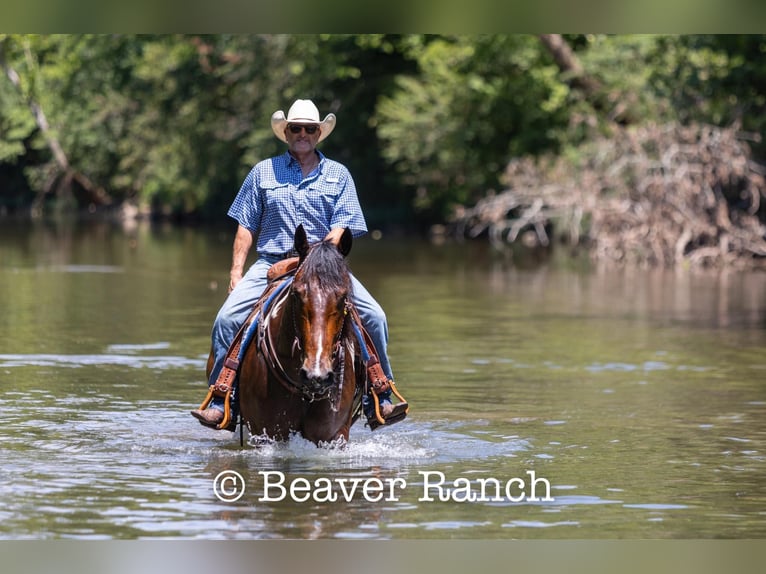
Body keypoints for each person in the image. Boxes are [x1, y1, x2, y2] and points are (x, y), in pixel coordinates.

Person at [191, 99, 406, 431]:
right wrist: (236, 271)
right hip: (271, 263)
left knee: (375, 317)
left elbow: (344, 226)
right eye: (296, 128)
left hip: (324, 266)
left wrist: (316, 257)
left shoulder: (339, 174)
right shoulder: (263, 171)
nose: (302, 134)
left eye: (309, 129)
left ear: (319, 133)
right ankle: (223, 399)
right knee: (226, 319)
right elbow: (246, 225)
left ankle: (380, 393)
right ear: (286, 132)